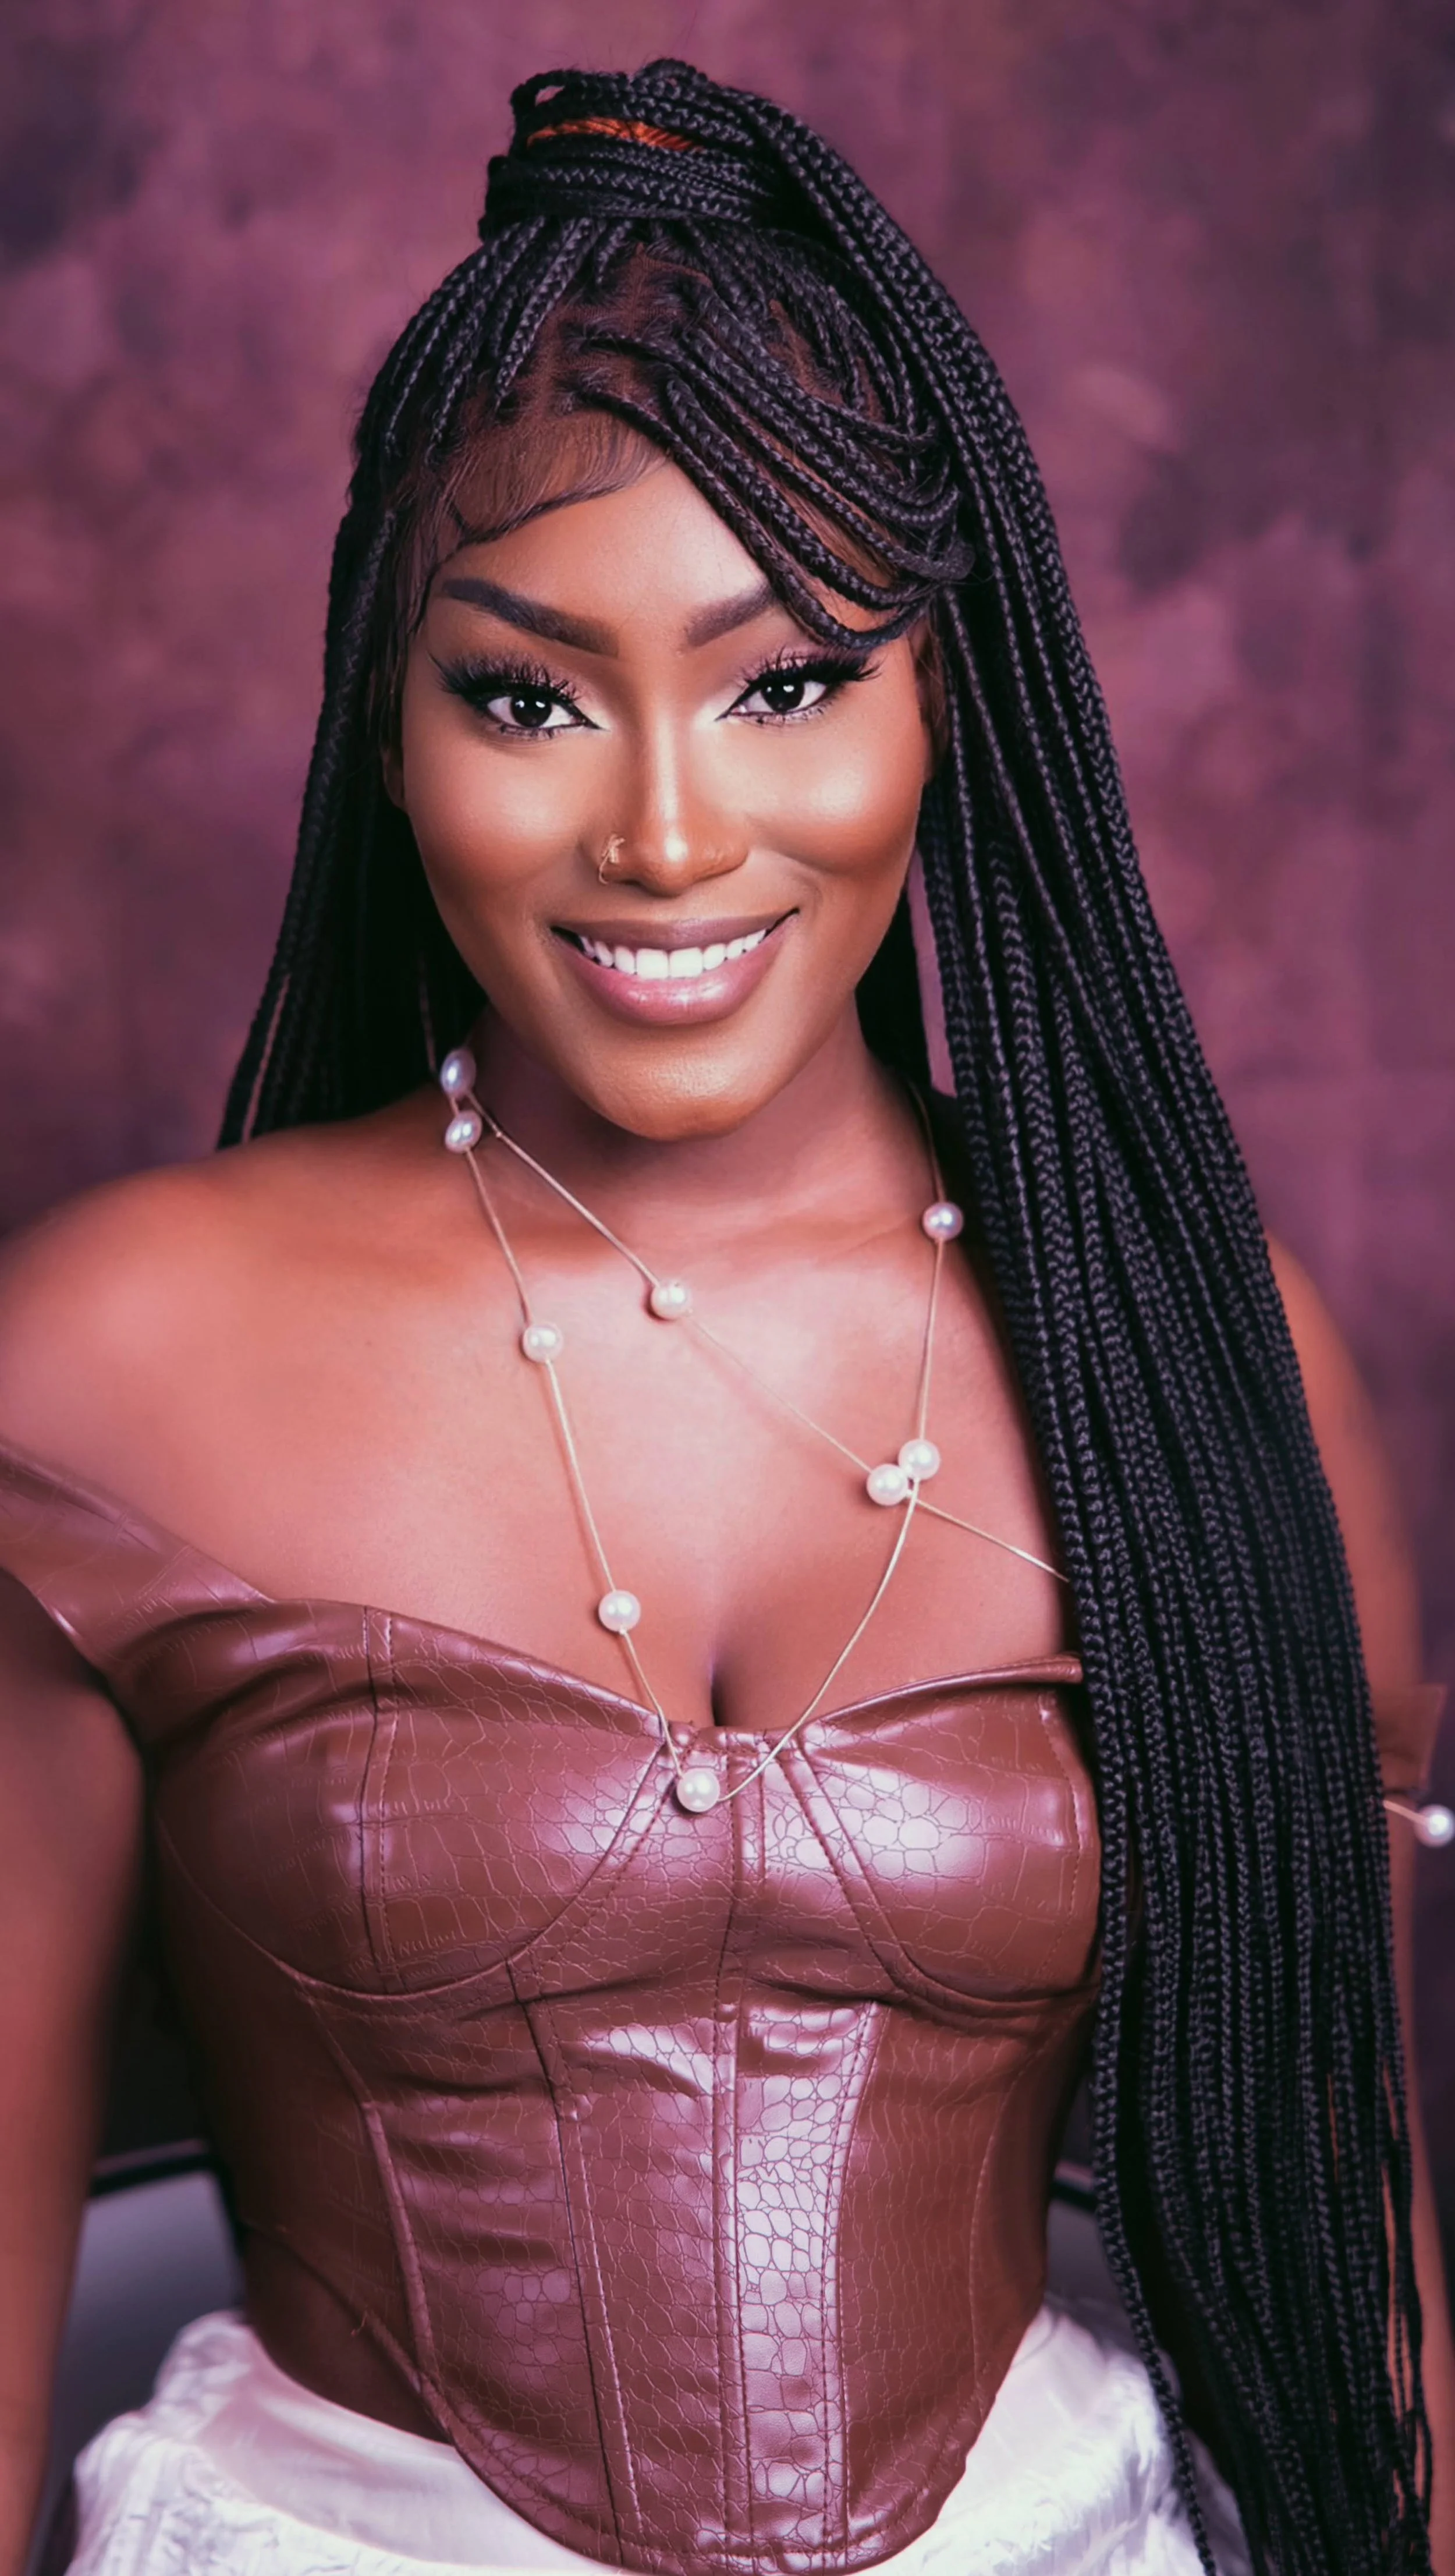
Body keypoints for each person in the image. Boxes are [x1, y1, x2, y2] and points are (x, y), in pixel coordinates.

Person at [0, 55, 1447, 2576]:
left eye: (785, 680)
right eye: (526, 693)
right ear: (387, 719)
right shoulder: (106, 1362)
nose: (666, 830)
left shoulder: (1199, 1367)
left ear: (941, 705)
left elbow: (1362, 2263)